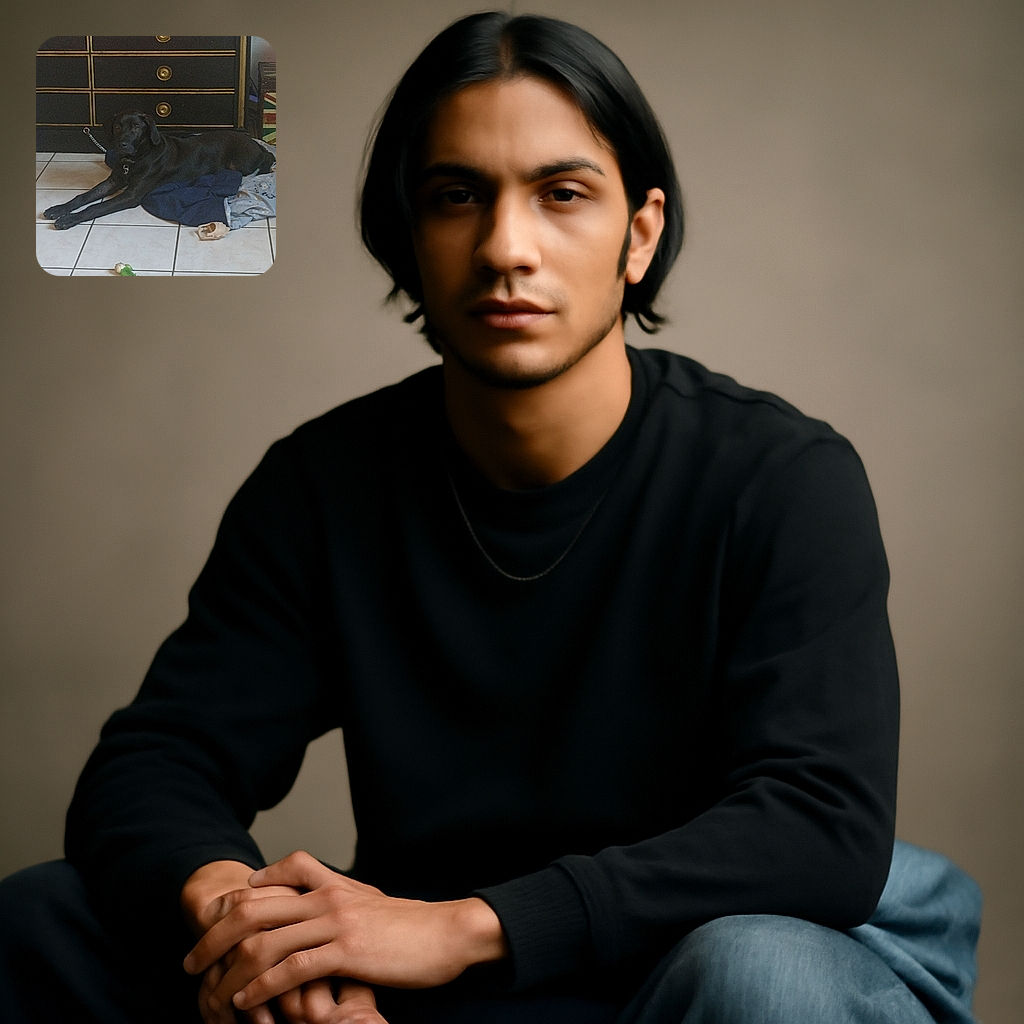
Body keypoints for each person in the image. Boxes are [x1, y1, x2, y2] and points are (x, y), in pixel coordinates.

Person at [0, 12, 981, 1024]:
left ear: (638, 234)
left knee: (755, 971)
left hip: (689, 953)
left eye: (562, 195)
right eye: (456, 197)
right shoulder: (324, 487)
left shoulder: (778, 477)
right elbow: (156, 765)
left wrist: (460, 926)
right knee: (46, 916)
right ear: (407, 237)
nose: (507, 247)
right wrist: (255, 930)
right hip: (430, 974)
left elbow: (817, 828)